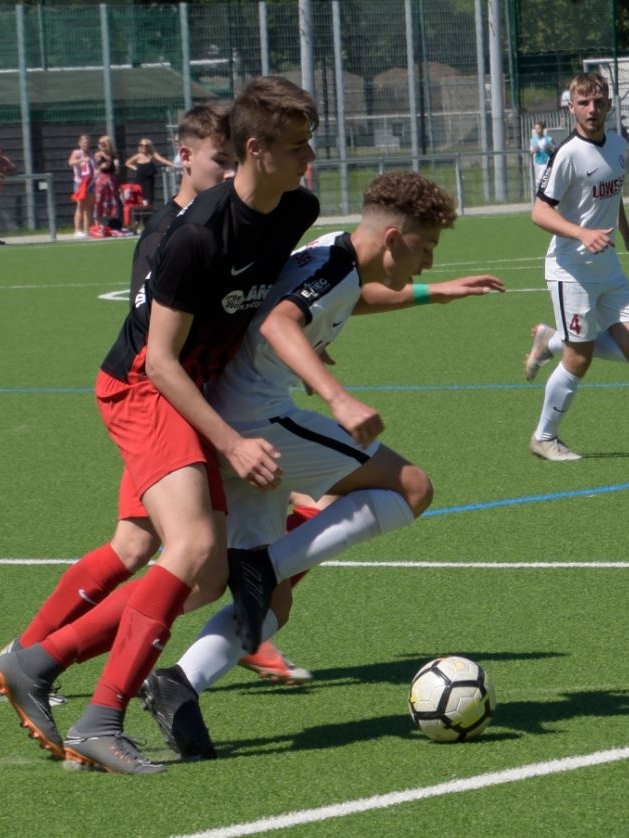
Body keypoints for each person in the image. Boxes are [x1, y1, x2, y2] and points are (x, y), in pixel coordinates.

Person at [0, 75, 321, 775]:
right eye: (296, 146)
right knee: (194, 546)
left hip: (194, 391)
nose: (308, 158)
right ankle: (100, 720)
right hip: (144, 387)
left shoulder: (298, 209)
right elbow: (160, 361)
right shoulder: (195, 234)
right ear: (254, 150)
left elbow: (261, 301)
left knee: (201, 574)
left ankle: (37, 662)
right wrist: (232, 441)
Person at [137, 172, 505, 759]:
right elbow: (280, 321)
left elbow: (348, 298)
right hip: (255, 419)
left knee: (271, 605)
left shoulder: (336, 252)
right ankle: (261, 565)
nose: (430, 261)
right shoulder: (335, 266)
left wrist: (434, 293)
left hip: (235, 416)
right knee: (412, 488)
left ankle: (177, 683)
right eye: (427, 248)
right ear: (393, 238)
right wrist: (337, 397)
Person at [523, 72, 629, 462]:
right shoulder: (567, 154)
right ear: (571, 108)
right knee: (579, 358)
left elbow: (614, 193)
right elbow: (539, 212)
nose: (592, 109)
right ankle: (544, 437)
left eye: (598, 102)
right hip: (572, 271)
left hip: (607, 267)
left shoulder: (617, 145)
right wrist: (581, 233)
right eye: (584, 103)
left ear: (609, 104)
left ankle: (551, 340)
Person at [124, 137, 177, 208]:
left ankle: (147, 213)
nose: (144, 147)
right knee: (139, 200)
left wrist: (174, 165)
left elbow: (162, 160)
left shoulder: (152, 155)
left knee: (148, 201)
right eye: (141, 145)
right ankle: (140, 214)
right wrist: (136, 168)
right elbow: (127, 163)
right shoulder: (138, 156)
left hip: (148, 181)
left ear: (149, 146)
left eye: (146, 146)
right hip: (139, 180)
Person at [92, 135, 121, 230]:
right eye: (100, 144)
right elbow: (97, 167)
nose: (101, 145)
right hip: (101, 178)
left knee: (112, 200)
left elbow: (116, 171)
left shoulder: (113, 155)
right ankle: (99, 224)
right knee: (100, 200)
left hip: (111, 179)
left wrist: (116, 166)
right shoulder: (98, 154)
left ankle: (112, 223)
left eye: (103, 144)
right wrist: (102, 166)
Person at [68, 134, 94, 238]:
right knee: (80, 206)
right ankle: (77, 230)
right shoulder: (77, 153)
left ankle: (87, 230)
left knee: (88, 207)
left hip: (90, 183)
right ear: (79, 143)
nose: (86, 145)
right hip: (80, 183)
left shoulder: (91, 154)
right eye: (84, 143)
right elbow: (71, 162)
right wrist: (81, 160)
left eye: (87, 143)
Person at [529, 121, 555, 188]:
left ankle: (542, 191)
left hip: (546, 162)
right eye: (535, 129)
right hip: (538, 162)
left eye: (538, 128)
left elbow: (554, 150)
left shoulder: (548, 139)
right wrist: (534, 150)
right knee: (540, 182)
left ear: (543, 129)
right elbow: (531, 151)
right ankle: (540, 192)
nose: (537, 130)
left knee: (540, 181)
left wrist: (549, 148)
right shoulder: (533, 140)